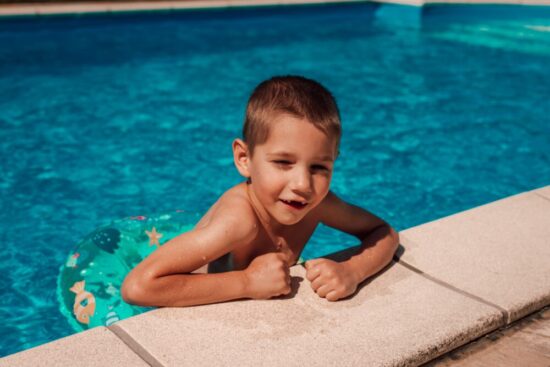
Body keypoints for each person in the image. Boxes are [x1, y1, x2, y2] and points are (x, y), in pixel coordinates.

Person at [121, 75, 399, 307]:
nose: (303, 184)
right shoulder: (237, 223)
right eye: (282, 162)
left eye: (318, 167)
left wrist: (353, 270)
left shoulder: (320, 204)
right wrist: (246, 282)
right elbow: (137, 287)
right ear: (244, 159)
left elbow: (383, 232)